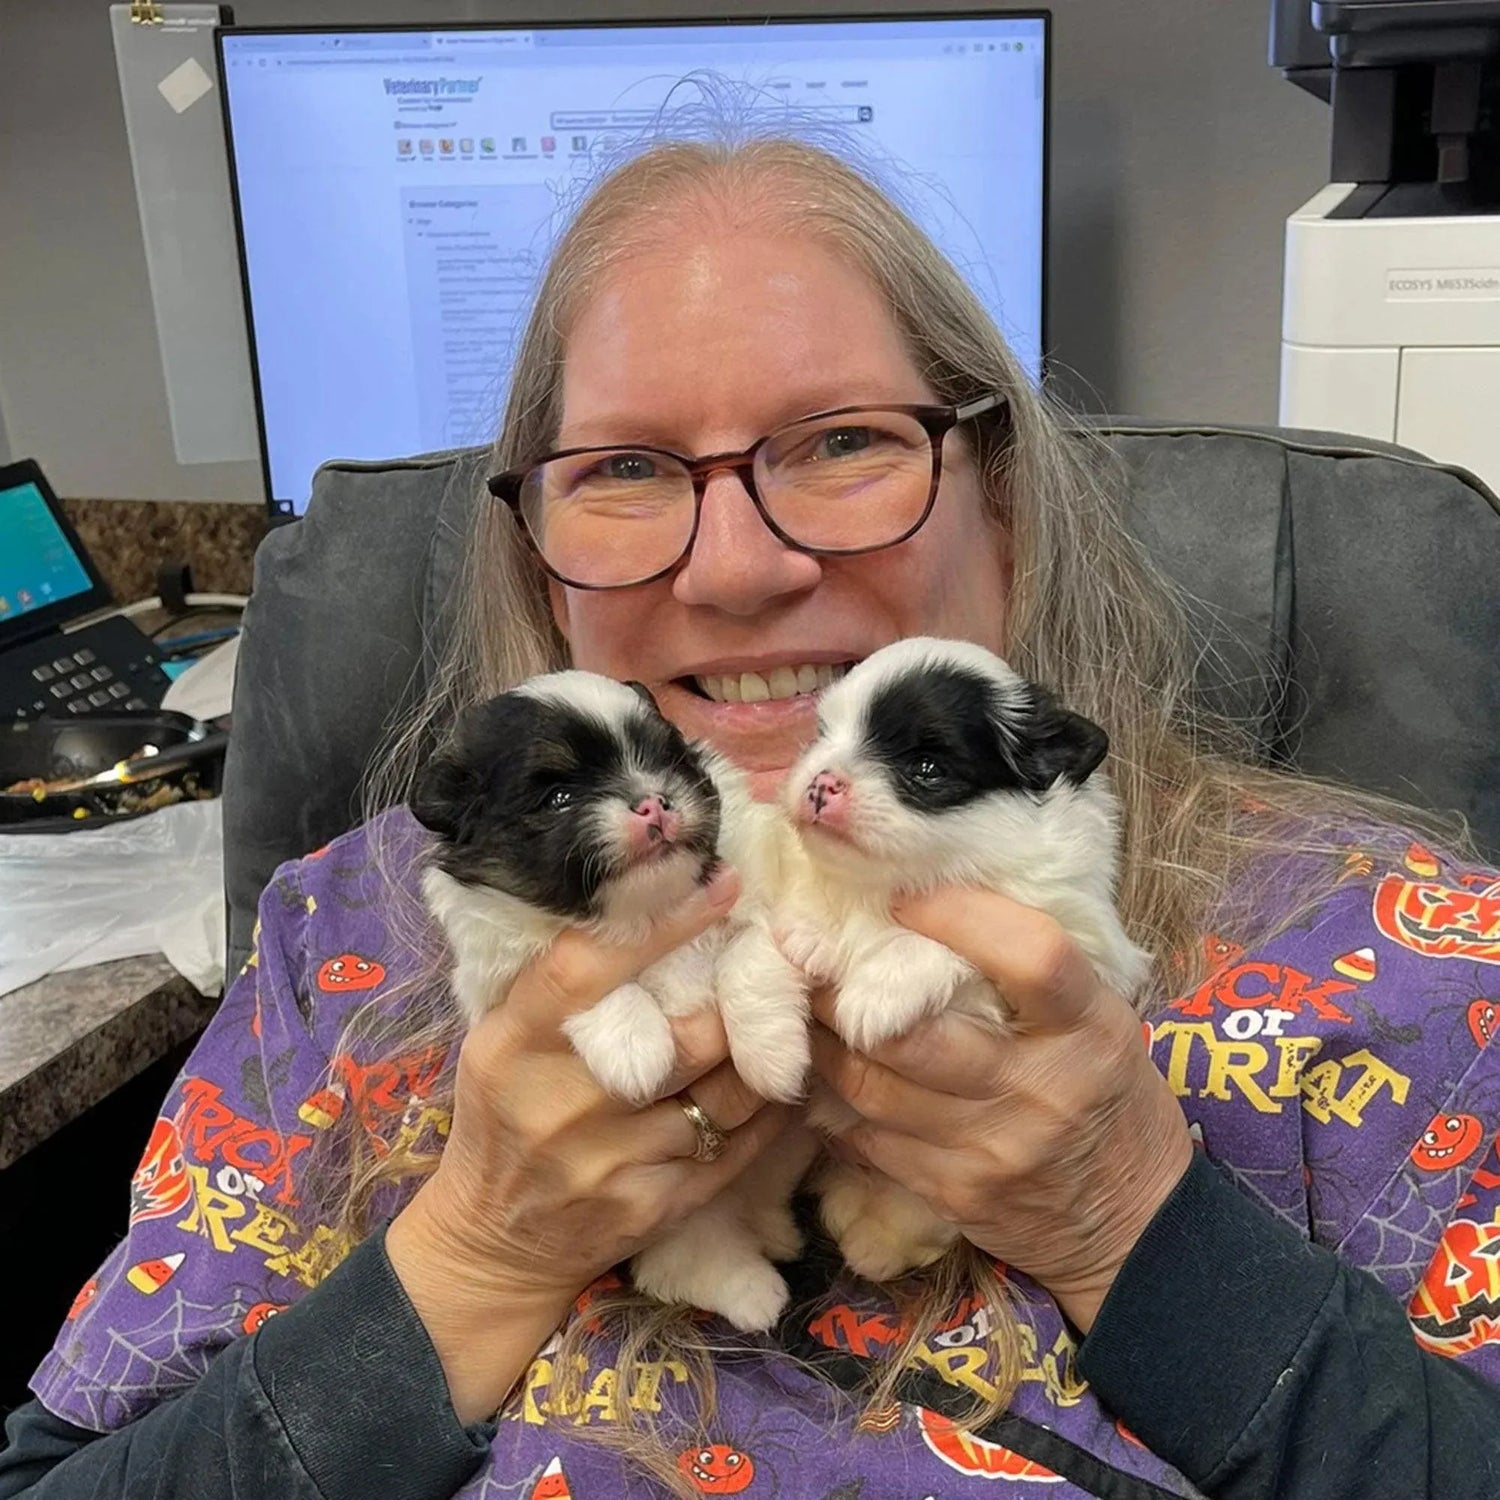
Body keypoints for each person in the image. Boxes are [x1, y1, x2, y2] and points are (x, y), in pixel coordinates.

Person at [4, 130, 1500, 1500]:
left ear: (1007, 494)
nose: (731, 570)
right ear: (536, 559)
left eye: (844, 441)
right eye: (627, 470)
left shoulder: (1393, 953)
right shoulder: (342, 938)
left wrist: (1129, 1222)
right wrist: (474, 1257)